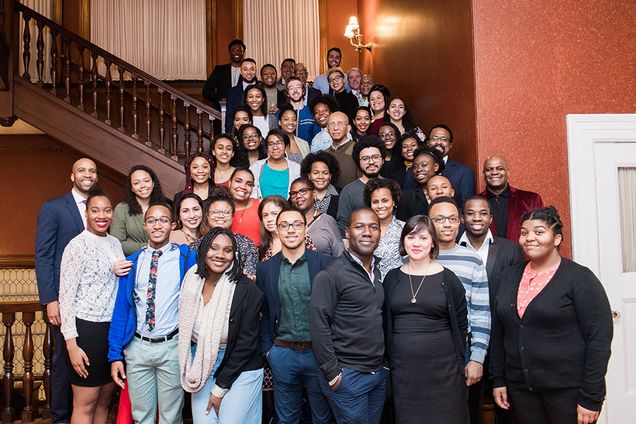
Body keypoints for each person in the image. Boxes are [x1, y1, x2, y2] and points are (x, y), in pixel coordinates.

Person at [490, 207, 613, 424]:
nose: (529, 238)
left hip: (567, 392)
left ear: (556, 239)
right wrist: (498, 379)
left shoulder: (580, 279)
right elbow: (499, 333)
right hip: (520, 389)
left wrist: (591, 397)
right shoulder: (508, 276)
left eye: (538, 232)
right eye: (524, 232)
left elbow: (599, 340)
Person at [108, 202, 197, 424]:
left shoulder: (186, 259)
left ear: (172, 225)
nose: (157, 225)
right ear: (145, 226)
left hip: (172, 347)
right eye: (152, 220)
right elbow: (121, 310)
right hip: (138, 348)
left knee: (171, 417)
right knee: (142, 417)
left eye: (163, 220)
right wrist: (115, 354)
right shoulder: (132, 262)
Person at [384, 215, 468, 423]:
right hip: (404, 373)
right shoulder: (392, 278)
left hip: (444, 372)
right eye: (411, 237)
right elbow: (385, 321)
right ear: (403, 241)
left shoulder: (448, 279)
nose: (416, 243)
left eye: (423, 238)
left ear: (432, 242)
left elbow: (461, 322)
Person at [257, 207, 335, 424]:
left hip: (318, 355)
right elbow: (263, 313)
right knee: (286, 418)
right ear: (278, 231)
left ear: (305, 228)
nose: (290, 230)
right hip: (283, 354)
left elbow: (335, 310)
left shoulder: (325, 263)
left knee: (322, 417)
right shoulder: (266, 269)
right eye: (284, 225)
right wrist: (268, 351)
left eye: (296, 224)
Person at [35, 158, 98, 424]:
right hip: (65, 300)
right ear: (72, 176)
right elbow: (44, 255)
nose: (87, 174)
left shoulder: (102, 207)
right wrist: (51, 299)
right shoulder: (54, 208)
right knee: (62, 361)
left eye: (92, 171)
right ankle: (60, 418)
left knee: (91, 360)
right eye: (82, 170)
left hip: (95, 305)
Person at [178, 228, 264, 424]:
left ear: (234, 254)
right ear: (203, 250)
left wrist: (220, 388)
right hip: (202, 362)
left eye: (227, 250)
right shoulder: (191, 279)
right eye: (214, 248)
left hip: (240, 367)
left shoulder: (247, 289)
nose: (219, 255)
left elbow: (246, 344)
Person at [310, 208, 387, 423]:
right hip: (348, 375)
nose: (367, 232)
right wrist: (333, 373)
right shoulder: (331, 274)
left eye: (373, 227)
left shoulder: (377, 271)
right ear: (347, 232)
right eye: (359, 226)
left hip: (377, 373)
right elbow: (318, 325)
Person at [59, 188, 126, 424]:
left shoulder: (115, 243)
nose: (102, 215)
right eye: (95, 210)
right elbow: (66, 298)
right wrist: (71, 345)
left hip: (112, 330)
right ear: (86, 213)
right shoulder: (76, 246)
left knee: (104, 403)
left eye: (107, 210)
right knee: (85, 404)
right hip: (86, 331)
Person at [459, 196, 524, 424]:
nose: (477, 218)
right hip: (466, 342)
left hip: (501, 338)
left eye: (483, 213)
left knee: (506, 405)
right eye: (470, 213)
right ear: (461, 218)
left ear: (491, 218)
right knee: (468, 406)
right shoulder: (450, 250)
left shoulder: (511, 250)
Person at [428, 197, 490, 398]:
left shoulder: (473, 260)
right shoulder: (414, 257)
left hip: (461, 347)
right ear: (428, 222)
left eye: (452, 219)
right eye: (440, 219)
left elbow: (481, 312)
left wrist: (477, 358)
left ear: (459, 222)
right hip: (423, 347)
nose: (447, 224)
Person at [480, 155, 544, 242]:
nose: (494, 172)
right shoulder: (476, 203)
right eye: (489, 169)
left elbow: (541, 232)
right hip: (487, 255)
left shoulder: (531, 200)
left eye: (500, 168)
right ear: (484, 174)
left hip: (521, 254)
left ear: (508, 173)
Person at [199, 187, 259, 280]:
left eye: (226, 212)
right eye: (215, 212)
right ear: (207, 215)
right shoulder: (197, 245)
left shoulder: (246, 244)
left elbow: (250, 277)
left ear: (232, 216)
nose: (220, 216)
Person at [112, 165, 166, 256]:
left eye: (146, 181)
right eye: (137, 183)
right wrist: (148, 246)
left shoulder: (164, 207)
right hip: (132, 262)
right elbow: (116, 243)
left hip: (163, 260)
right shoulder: (122, 209)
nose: (143, 186)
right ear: (132, 188)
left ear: (153, 183)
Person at [336, 136, 385, 234]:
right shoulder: (349, 191)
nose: (371, 162)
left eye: (375, 157)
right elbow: (342, 225)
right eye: (365, 158)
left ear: (382, 160)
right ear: (359, 163)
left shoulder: (392, 186)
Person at [289, 178, 344, 257]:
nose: (298, 196)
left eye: (303, 191)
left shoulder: (327, 221)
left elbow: (340, 255)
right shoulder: (289, 224)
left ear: (314, 193)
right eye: (293, 193)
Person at [364, 178, 404, 281]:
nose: (380, 206)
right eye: (375, 202)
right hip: (368, 289)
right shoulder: (363, 230)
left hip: (397, 287)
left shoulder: (405, 229)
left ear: (394, 202)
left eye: (385, 200)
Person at [427, 124, 475, 205]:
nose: (439, 142)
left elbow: (467, 205)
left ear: (450, 145)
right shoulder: (416, 171)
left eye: (444, 139)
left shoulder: (464, 172)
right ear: (428, 143)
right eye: (435, 138)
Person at [258, 195, 316, 261]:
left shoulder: (299, 237)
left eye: (274, 214)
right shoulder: (262, 245)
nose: (269, 219)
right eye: (265, 215)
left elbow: (315, 263)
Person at [250, 129, 302, 199]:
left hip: (288, 209)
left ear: (286, 146)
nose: (275, 147)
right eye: (271, 144)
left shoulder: (296, 168)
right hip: (262, 208)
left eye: (279, 143)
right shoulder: (256, 167)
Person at [396, 147, 443, 221]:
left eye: (424, 165)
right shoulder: (407, 197)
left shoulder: (448, 191)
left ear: (436, 167)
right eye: (415, 167)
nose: (419, 169)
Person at [202, 39, 246, 106]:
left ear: (243, 53)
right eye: (233, 50)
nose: (237, 53)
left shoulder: (248, 71)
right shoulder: (219, 70)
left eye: (239, 51)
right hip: (222, 110)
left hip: (242, 110)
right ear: (229, 52)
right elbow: (206, 91)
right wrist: (220, 99)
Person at [300, 151, 341, 219]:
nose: (320, 177)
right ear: (309, 175)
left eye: (325, 173)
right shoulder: (299, 194)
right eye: (316, 173)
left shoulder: (342, 195)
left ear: (330, 176)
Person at [227, 168, 261, 246]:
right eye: (238, 181)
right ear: (229, 183)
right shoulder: (220, 208)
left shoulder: (261, 205)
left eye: (249, 184)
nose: (243, 187)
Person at [224, 58, 259, 133]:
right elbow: (229, 117)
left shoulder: (263, 89)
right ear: (241, 71)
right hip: (238, 134)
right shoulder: (232, 92)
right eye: (245, 69)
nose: (249, 72)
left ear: (255, 71)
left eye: (252, 69)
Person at [325, 112, 358, 189]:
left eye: (340, 124)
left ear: (348, 128)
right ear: (327, 129)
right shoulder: (325, 154)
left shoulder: (357, 149)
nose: (335, 128)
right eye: (332, 124)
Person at [281, 77, 319, 143]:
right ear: (287, 93)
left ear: (303, 91)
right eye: (291, 88)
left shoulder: (312, 113)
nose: (295, 90)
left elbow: (317, 138)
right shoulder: (280, 113)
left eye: (298, 87)